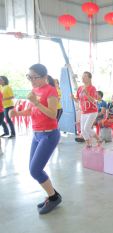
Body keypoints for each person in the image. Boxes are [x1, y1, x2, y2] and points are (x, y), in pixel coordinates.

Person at [9, 64, 62, 214]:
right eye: (29, 77)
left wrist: (37, 102)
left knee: (35, 170)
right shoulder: (34, 90)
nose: (31, 80)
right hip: (37, 134)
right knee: (34, 169)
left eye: (34, 77)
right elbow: (31, 110)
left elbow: (53, 114)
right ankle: (52, 195)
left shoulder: (51, 91)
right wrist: (17, 114)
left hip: (49, 134)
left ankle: (53, 198)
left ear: (44, 77)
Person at [71, 71, 100, 148]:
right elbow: (78, 100)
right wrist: (73, 98)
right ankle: (89, 144)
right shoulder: (80, 88)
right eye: (82, 77)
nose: (82, 78)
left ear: (89, 78)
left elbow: (93, 100)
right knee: (83, 131)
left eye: (85, 77)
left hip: (92, 111)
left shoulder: (92, 88)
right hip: (84, 112)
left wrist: (87, 94)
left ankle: (98, 139)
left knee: (86, 128)